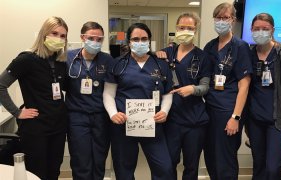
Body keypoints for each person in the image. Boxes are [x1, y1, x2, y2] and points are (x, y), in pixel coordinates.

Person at [103, 22, 174, 180]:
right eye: (136, 39)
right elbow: (108, 93)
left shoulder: (160, 64)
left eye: (144, 39)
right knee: (123, 169)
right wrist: (113, 114)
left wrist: (164, 111)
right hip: (124, 125)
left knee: (165, 168)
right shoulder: (118, 64)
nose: (140, 42)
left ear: (149, 41)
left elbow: (168, 93)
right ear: (129, 42)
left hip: (153, 124)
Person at [0, 16, 68, 180]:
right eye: (55, 33)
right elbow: (1, 85)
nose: (59, 38)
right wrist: (17, 112)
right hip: (36, 129)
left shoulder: (60, 62)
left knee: (54, 171)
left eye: (63, 36)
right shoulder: (26, 59)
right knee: (37, 172)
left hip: (58, 127)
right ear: (44, 34)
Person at [156, 12, 211, 180]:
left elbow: (205, 86)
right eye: (181, 27)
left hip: (194, 121)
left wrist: (193, 89)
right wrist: (156, 55)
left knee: (191, 165)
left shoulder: (203, 57)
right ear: (176, 28)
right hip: (171, 119)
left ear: (196, 30)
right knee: (169, 163)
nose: (185, 31)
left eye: (190, 28)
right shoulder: (165, 53)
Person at [203, 2, 252, 180]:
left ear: (233, 20)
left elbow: (244, 85)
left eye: (225, 17)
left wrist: (235, 117)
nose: (221, 21)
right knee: (210, 155)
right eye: (218, 18)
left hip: (228, 111)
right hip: (210, 109)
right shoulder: (210, 46)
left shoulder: (240, 47)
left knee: (225, 159)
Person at [247, 13, 281, 180]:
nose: (260, 32)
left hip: (277, 123)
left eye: (265, 29)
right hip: (255, 121)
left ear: (273, 30)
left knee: (273, 168)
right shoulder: (250, 53)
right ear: (251, 30)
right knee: (259, 166)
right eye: (256, 29)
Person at [66, 21, 113, 180]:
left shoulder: (107, 60)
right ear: (82, 37)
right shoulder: (68, 58)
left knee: (99, 159)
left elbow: (112, 89)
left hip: (100, 117)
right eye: (91, 38)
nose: (95, 42)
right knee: (81, 160)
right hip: (77, 116)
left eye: (99, 39)